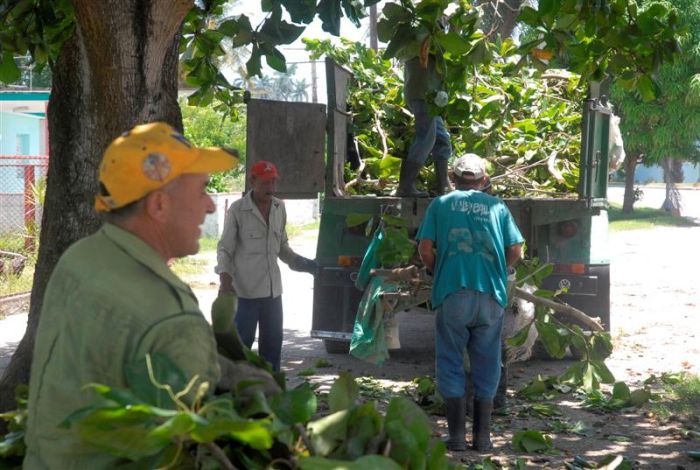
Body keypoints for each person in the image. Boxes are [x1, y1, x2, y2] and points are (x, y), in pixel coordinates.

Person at [23, 122, 278, 468]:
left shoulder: (80, 258)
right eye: (202, 190)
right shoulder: (171, 317)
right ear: (159, 206)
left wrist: (225, 370)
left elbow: (128, 349)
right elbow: (191, 450)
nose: (210, 206)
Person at [416, 153, 524, 451]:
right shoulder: (498, 206)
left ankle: (457, 438)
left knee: (450, 359)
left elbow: (425, 250)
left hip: (453, 293)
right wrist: (498, 269)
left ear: (453, 179)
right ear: (484, 180)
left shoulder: (440, 205)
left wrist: (438, 269)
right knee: (488, 361)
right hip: (490, 293)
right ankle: (483, 438)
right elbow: (515, 249)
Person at [215, 160, 316, 372]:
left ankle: (271, 393)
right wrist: (225, 281)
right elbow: (225, 249)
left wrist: (305, 265)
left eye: (273, 182)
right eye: (265, 183)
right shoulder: (237, 210)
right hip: (246, 294)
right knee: (241, 347)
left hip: (273, 293)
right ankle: (237, 392)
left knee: (272, 347)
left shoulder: (279, 207)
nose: (270, 187)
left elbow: (282, 247)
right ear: (252, 181)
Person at [399, 52, 452, 197]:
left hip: (431, 95)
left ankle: (442, 188)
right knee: (426, 138)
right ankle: (405, 186)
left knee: (442, 139)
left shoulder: (435, 40)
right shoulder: (421, 34)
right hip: (422, 92)